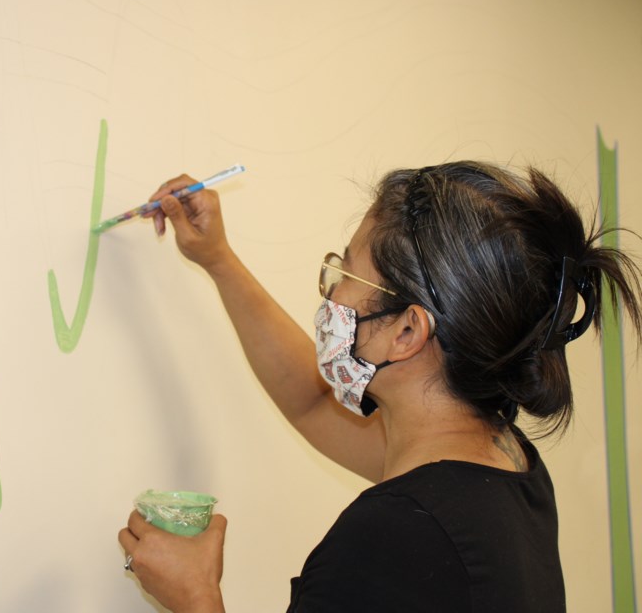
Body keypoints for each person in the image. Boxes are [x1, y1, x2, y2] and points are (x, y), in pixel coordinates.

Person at [117, 162, 642, 612]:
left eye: (347, 274)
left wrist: (195, 598)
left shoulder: (398, 534)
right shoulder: (501, 462)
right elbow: (312, 404)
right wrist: (218, 259)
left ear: (408, 331)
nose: (333, 293)